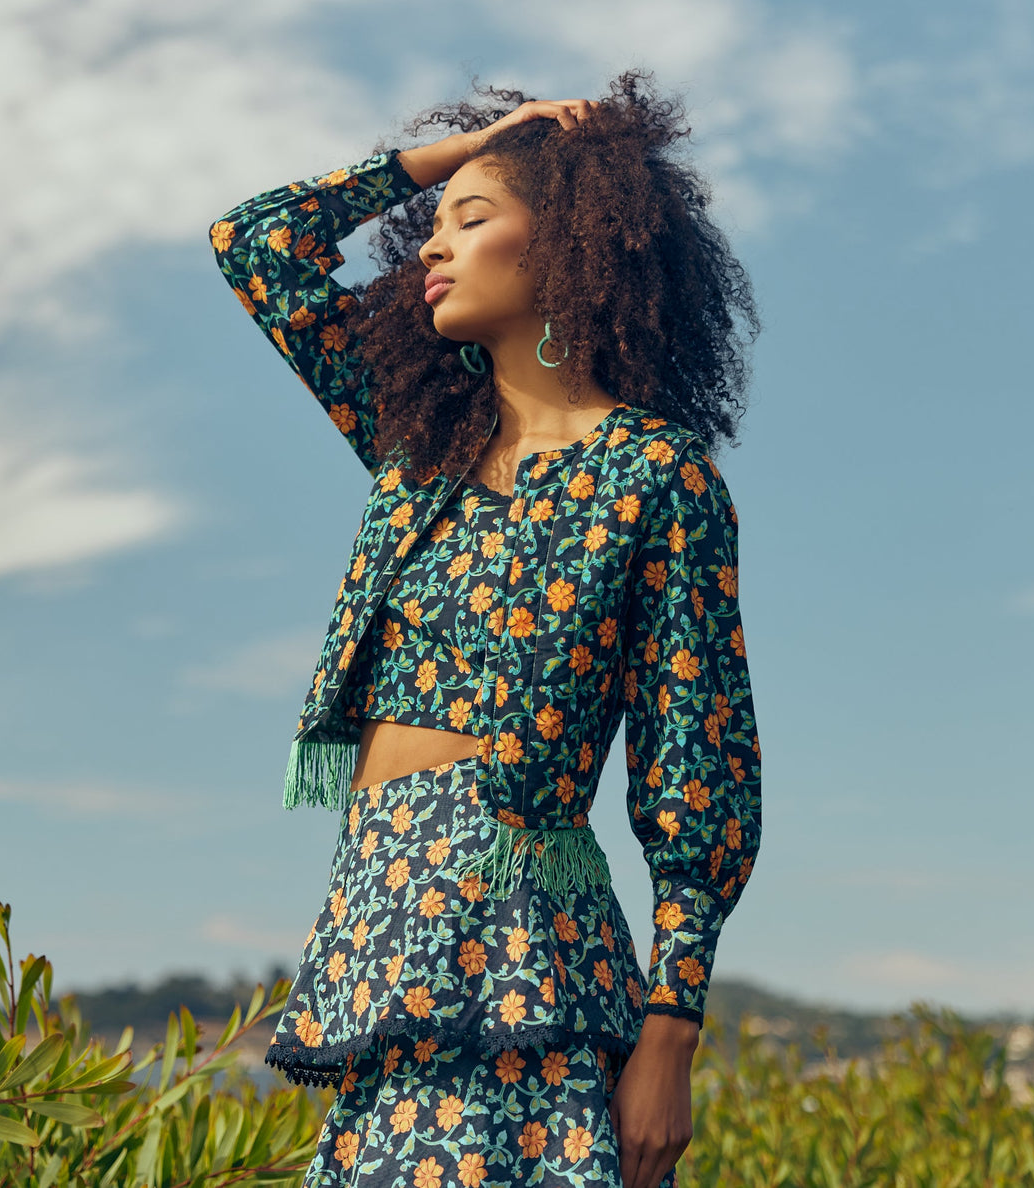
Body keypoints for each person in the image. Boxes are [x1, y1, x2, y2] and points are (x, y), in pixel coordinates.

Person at [209, 70, 762, 1188]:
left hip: (528, 948)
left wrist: (672, 1033)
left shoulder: (655, 477)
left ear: (567, 244)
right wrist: (462, 153)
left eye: (472, 219)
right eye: (434, 223)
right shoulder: (422, 448)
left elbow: (698, 772)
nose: (430, 246)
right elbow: (251, 241)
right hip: (379, 920)